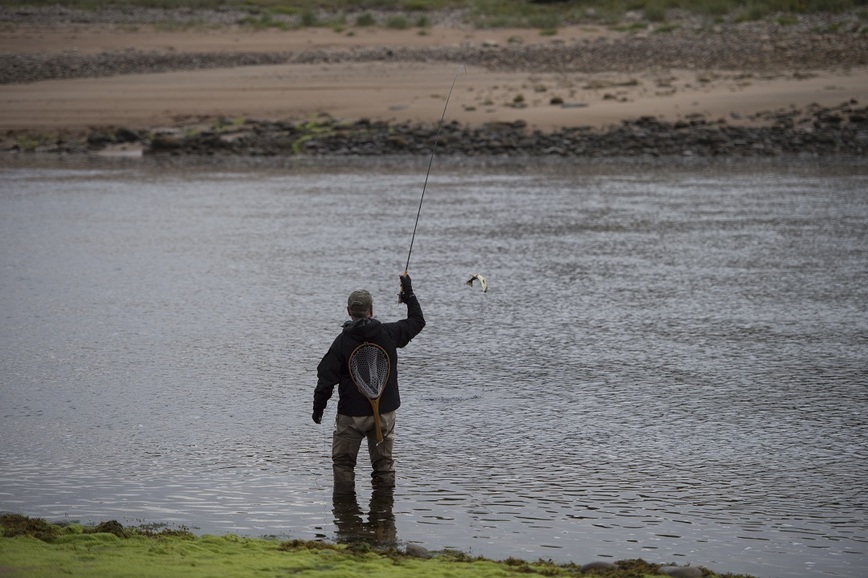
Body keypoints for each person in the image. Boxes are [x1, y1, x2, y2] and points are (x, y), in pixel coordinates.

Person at [313, 272, 425, 491]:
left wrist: (318, 411)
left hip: (351, 416)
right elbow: (418, 321)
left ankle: (346, 520)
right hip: (384, 413)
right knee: (384, 466)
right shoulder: (390, 333)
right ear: (371, 311)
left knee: (344, 464)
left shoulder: (342, 342)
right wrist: (408, 293)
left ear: (349, 312)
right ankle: (384, 516)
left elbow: (325, 379)